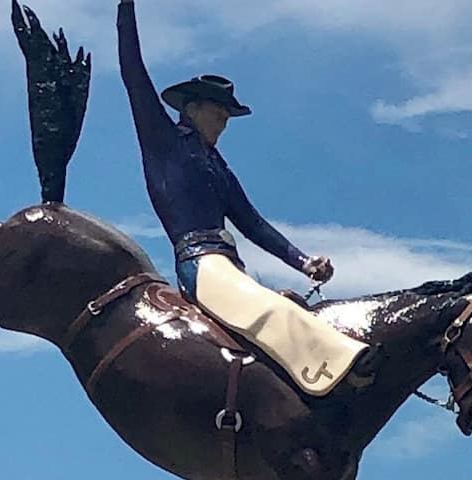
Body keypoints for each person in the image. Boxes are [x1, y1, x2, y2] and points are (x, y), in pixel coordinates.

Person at [115, 0, 375, 396]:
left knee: (280, 311)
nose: (224, 122)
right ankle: (344, 369)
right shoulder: (164, 143)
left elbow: (252, 223)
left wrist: (303, 262)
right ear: (194, 107)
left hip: (230, 264)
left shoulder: (218, 166)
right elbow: (134, 74)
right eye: (220, 112)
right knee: (275, 311)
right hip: (200, 265)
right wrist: (126, 9)